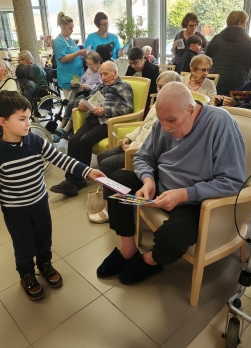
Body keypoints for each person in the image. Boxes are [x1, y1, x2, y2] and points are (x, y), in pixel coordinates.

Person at [96, 82, 245, 284]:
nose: (165, 128)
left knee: (173, 238)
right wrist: (148, 179)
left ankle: (151, 260)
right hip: (159, 185)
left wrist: (185, 194)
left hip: (194, 199)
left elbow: (233, 181)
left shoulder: (221, 123)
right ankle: (127, 249)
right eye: (162, 120)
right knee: (115, 182)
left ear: (191, 110)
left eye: (171, 120)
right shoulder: (163, 123)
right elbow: (143, 157)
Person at [0, 91, 105, 300]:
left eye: (29, 118)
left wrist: (87, 171)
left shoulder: (36, 142)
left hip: (39, 203)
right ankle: (27, 274)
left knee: (43, 237)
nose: (28, 123)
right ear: (3, 121)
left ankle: (45, 264)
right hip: (15, 211)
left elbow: (60, 159)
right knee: (23, 243)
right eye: (22, 119)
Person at [89, 71, 182, 224]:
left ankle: (108, 207)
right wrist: (128, 137)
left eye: (164, 87)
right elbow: (143, 126)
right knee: (101, 156)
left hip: (140, 150)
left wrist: (134, 145)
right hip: (134, 143)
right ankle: (111, 196)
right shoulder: (157, 104)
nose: (160, 92)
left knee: (107, 164)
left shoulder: (172, 111)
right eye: (159, 87)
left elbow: (157, 143)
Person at [50, 61, 133, 197]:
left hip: (107, 122)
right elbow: (90, 98)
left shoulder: (123, 86)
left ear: (115, 73)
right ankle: (71, 181)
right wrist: (83, 103)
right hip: (93, 119)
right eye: (101, 74)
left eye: (106, 74)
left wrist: (105, 110)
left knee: (85, 140)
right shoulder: (102, 86)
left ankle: (81, 178)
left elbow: (128, 108)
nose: (103, 77)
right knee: (73, 140)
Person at [206, 10, 251, 95]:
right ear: (240, 23)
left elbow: (206, 58)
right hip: (239, 83)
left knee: (216, 105)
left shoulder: (216, 39)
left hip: (216, 83)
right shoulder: (250, 41)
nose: (245, 26)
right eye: (245, 23)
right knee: (235, 106)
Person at [56, 51, 103, 137]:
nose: (89, 67)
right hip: (86, 92)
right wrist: (77, 83)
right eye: (87, 64)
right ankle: (62, 124)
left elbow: (101, 86)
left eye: (91, 64)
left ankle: (68, 127)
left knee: (77, 103)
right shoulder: (89, 69)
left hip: (95, 94)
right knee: (70, 103)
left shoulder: (102, 71)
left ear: (98, 62)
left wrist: (88, 86)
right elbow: (83, 78)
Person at [52, 12, 87, 102]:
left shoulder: (70, 40)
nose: (72, 30)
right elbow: (63, 58)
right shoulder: (58, 41)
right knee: (71, 105)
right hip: (68, 78)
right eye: (69, 28)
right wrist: (79, 53)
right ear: (62, 26)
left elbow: (74, 55)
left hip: (78, 77)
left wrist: (83, 55)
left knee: (80, 103)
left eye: (72, 28)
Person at [125, 47, 160, 116]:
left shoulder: (153, 69)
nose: (133, 66)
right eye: (130, 63)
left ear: (142, 58)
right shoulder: (130, 68)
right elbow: (126, 82)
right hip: (130, 96)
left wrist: (139, 90)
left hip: (146, 98)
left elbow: (154, 88)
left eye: (135, 63)